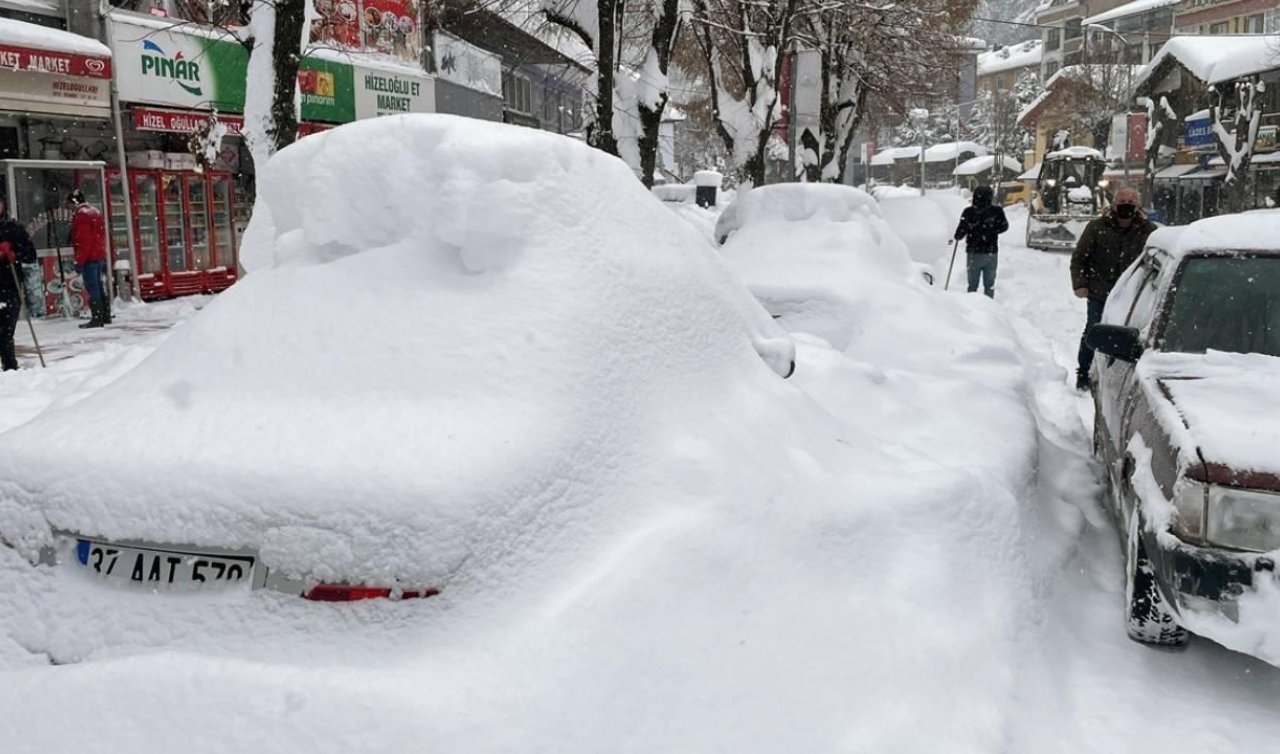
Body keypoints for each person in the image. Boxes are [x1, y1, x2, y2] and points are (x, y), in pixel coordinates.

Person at [1070, 186, 1157, 391]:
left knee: (1132, 336)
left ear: (1137, 207)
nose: (1126, 207)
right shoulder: (1096, 228)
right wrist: (1080, 284)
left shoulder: (1147, 231)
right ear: (1114, 205)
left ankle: (1123, 376)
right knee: (1094, 330)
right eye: (1122, 203)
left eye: (1131, 203)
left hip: (1133, 294)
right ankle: (1083, 371)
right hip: (1100, 291)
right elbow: (1080, 258)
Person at [0, 196, 38, 371]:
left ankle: (10, 368)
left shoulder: (13, 229)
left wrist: (14, 252)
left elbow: (30, 255)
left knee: (5, 332)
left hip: (9, 286)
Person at [953, 184, 1009, 298]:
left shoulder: (968, 212)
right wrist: (992, 230)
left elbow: (960, 233)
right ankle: (988, 306)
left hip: (974, 252)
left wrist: (963, 233)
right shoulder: (997, 211)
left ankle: (972, 306)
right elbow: (1004, 226)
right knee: (989, 285)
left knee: (972, 285)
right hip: (991, 252)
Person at [68, 189, 110, 329]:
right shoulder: (95, 212)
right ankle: (105, 314)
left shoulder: (82, 215)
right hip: (99, 255)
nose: (69, 208)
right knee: (99, 285)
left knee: (92, 287)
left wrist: (79, 261)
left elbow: (83, 241)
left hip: (89, 257)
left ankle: (97, 317)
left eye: (70, 204)